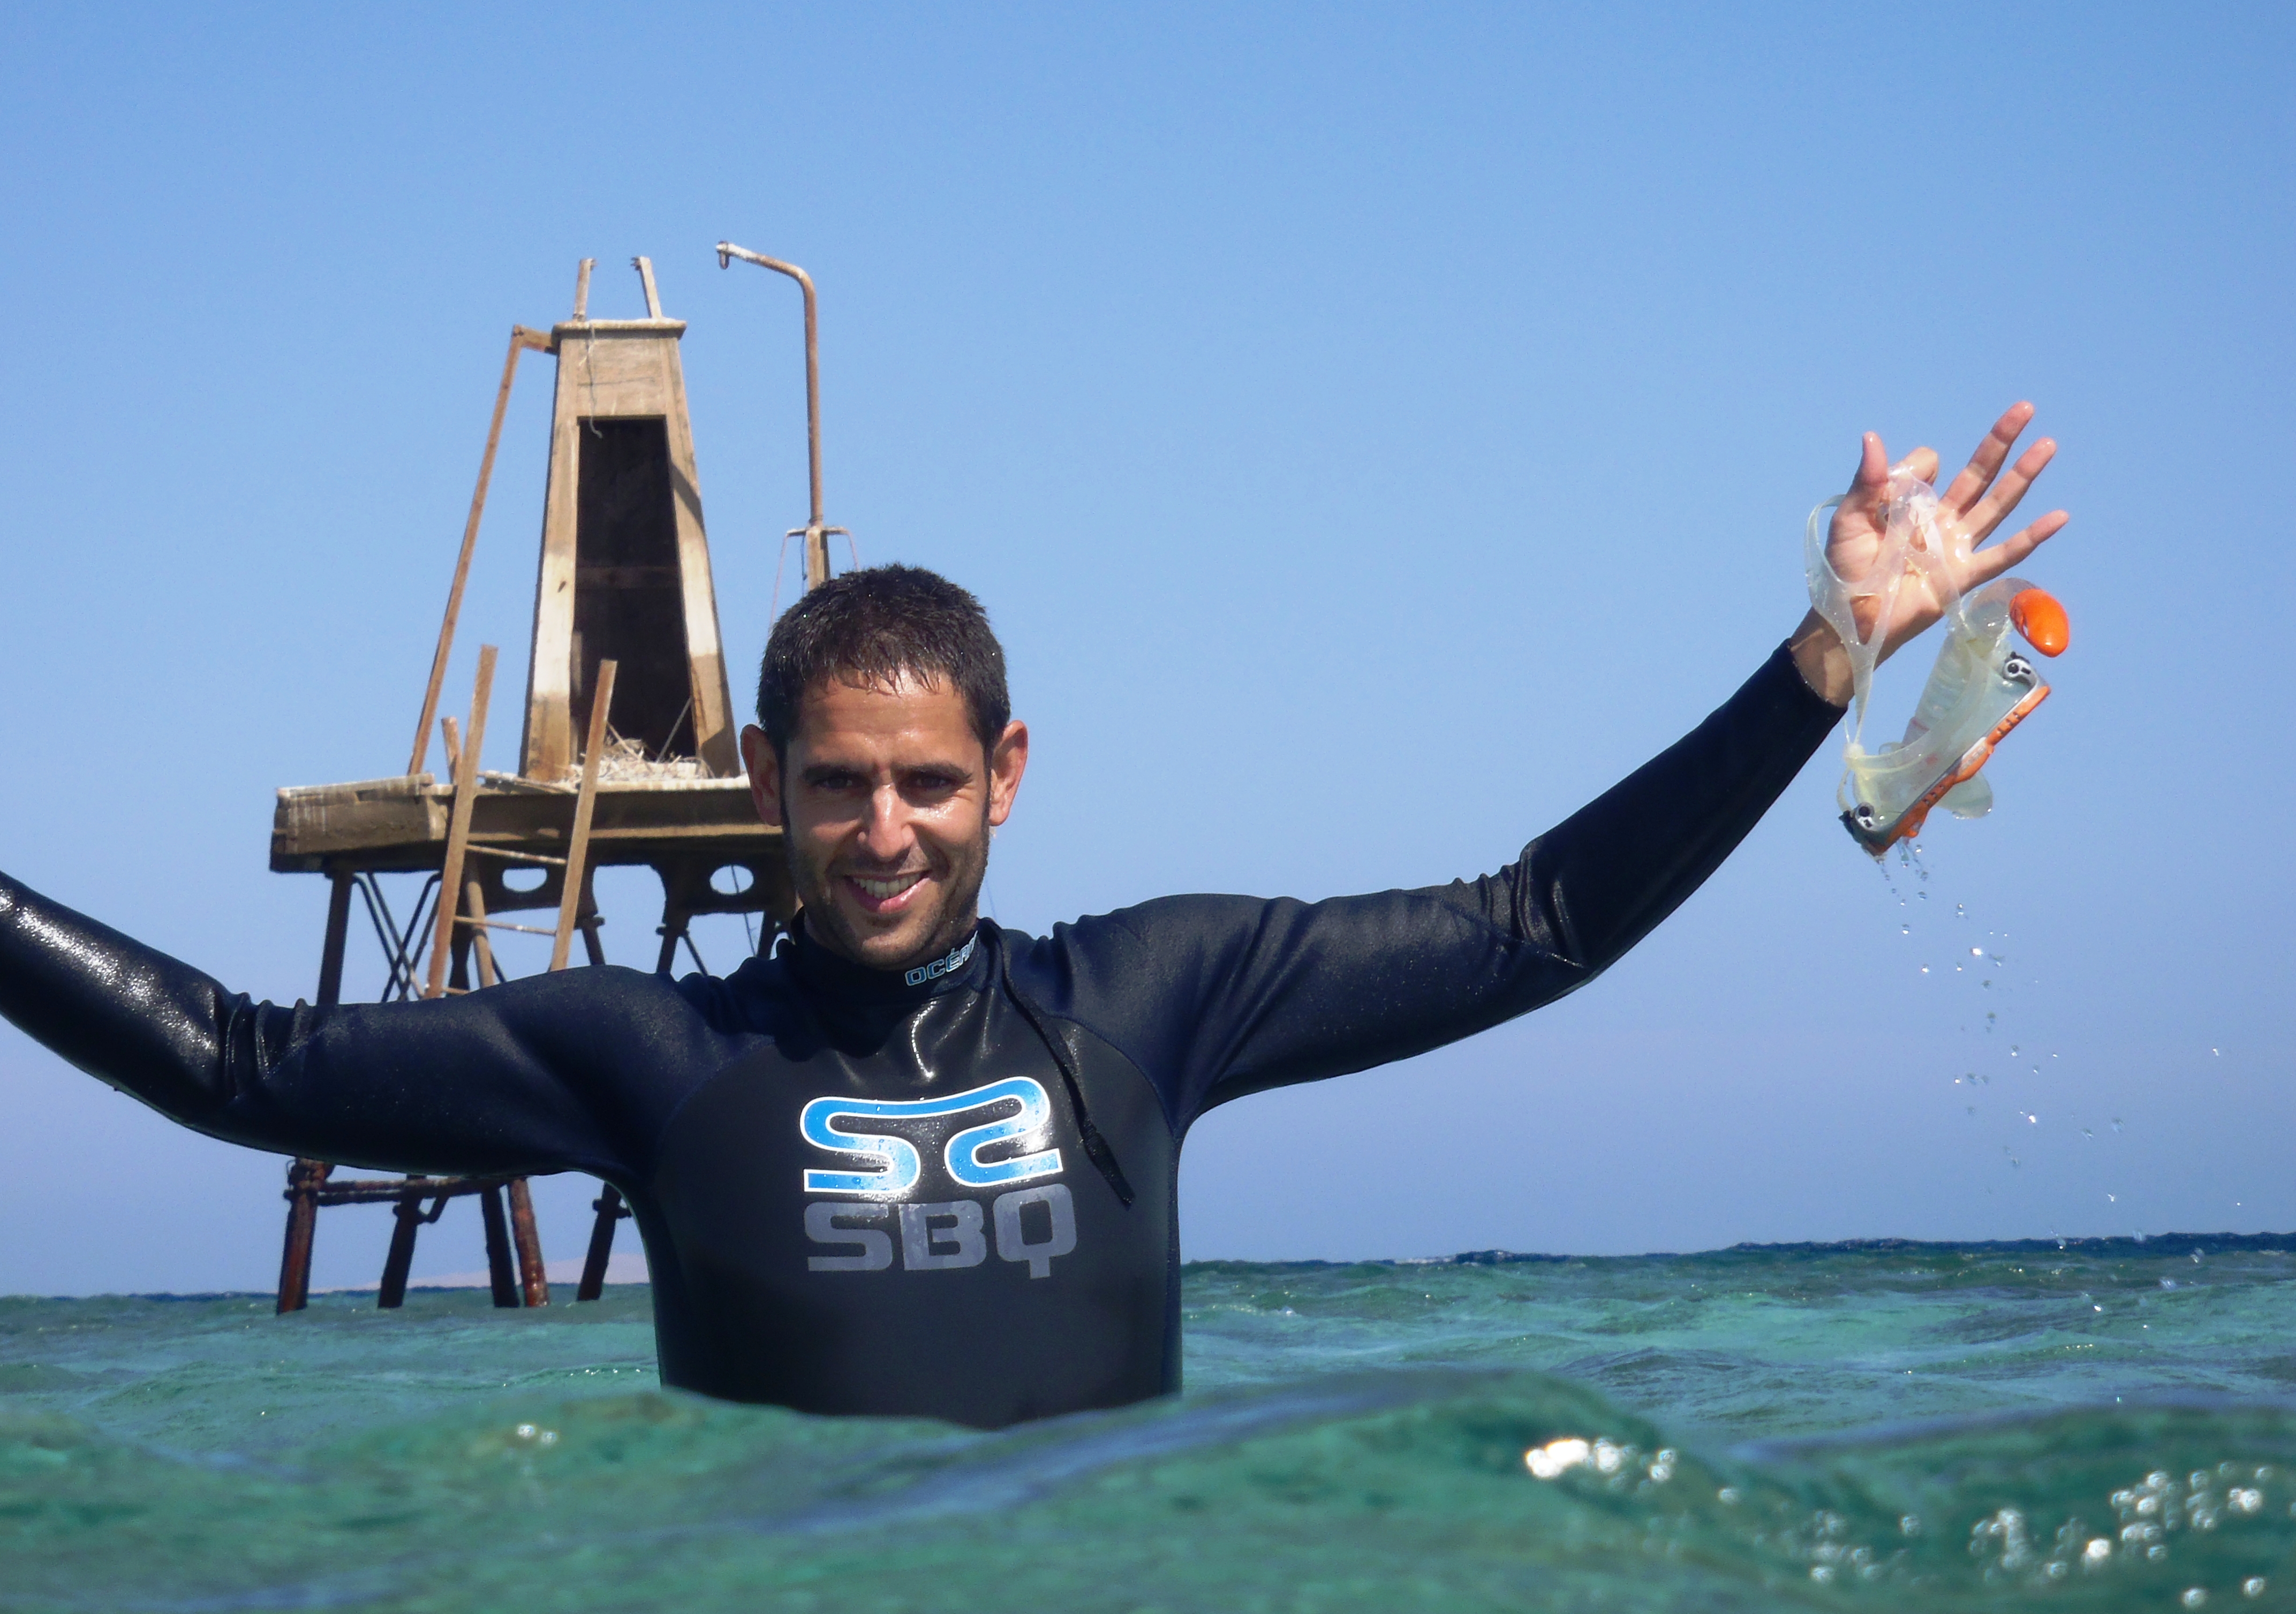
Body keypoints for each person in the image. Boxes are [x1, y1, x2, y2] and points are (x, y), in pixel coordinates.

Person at [0, 407, 2065, 1428]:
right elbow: (237, 1063)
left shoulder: (1153, 1003)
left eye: (925, 781)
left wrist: (1822, 661)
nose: (882, 831)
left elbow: (1539, 924)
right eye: (835, 784)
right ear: (764, 791)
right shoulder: (647, 1055)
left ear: (1006, 774)